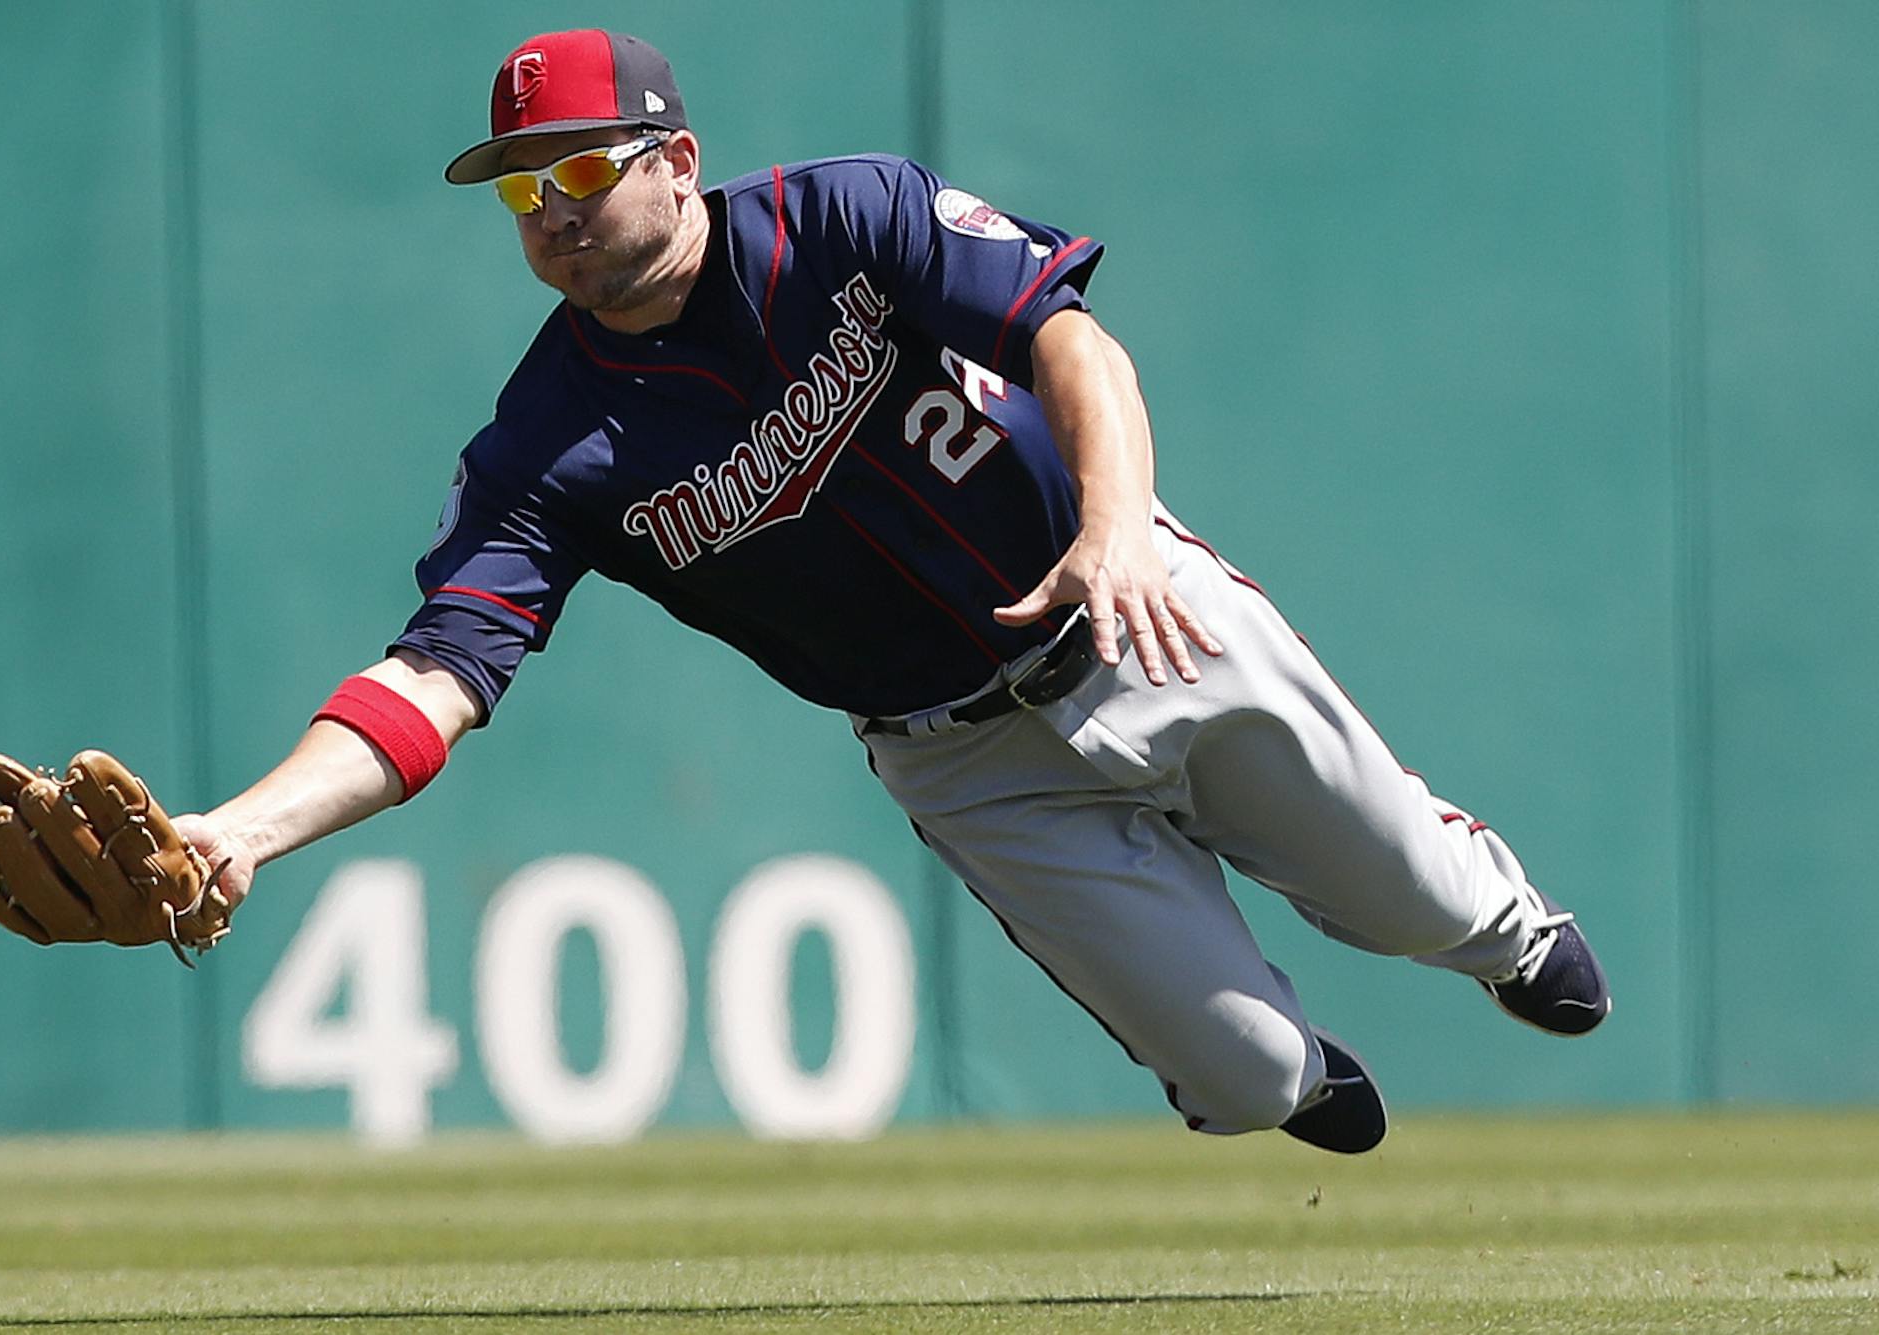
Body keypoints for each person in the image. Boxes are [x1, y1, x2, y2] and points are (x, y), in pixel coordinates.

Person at [174, 29, 1609, 1154]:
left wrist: (1114, 533)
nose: (548, 212)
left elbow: (1073, 343)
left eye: (579, 169)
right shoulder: (547, 445)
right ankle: (1280, 1073)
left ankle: (1505, 927)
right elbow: (439, 672)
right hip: (964, 752)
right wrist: (241, 832)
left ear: (677, 159)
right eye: (520, 189)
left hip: (1136, 609)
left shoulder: (844, 219)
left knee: (1420, 896)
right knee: (1251, 1079)